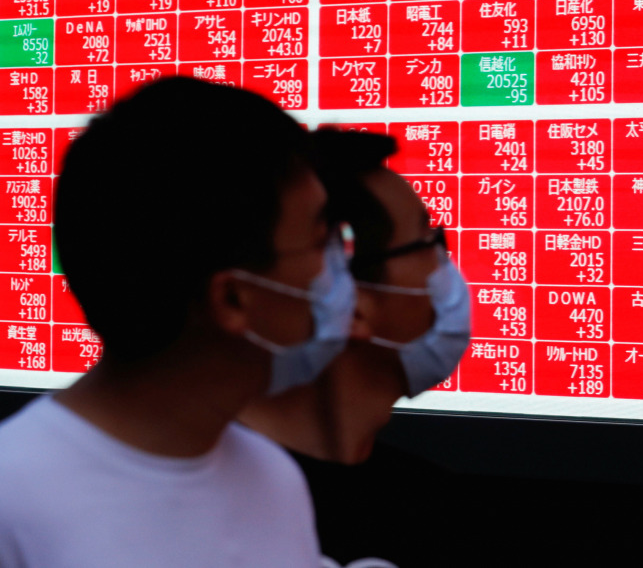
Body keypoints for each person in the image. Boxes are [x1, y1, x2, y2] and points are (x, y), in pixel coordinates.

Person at [0, 77, 353, 568]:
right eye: (322, 242)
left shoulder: (272, 481)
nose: (342, 269)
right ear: (230, 297)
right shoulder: (12, 502)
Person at [239, 128, 471, 564]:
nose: (445, 270)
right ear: (351, 304)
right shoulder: (194, 510)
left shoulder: (433, 508)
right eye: (428, 243)